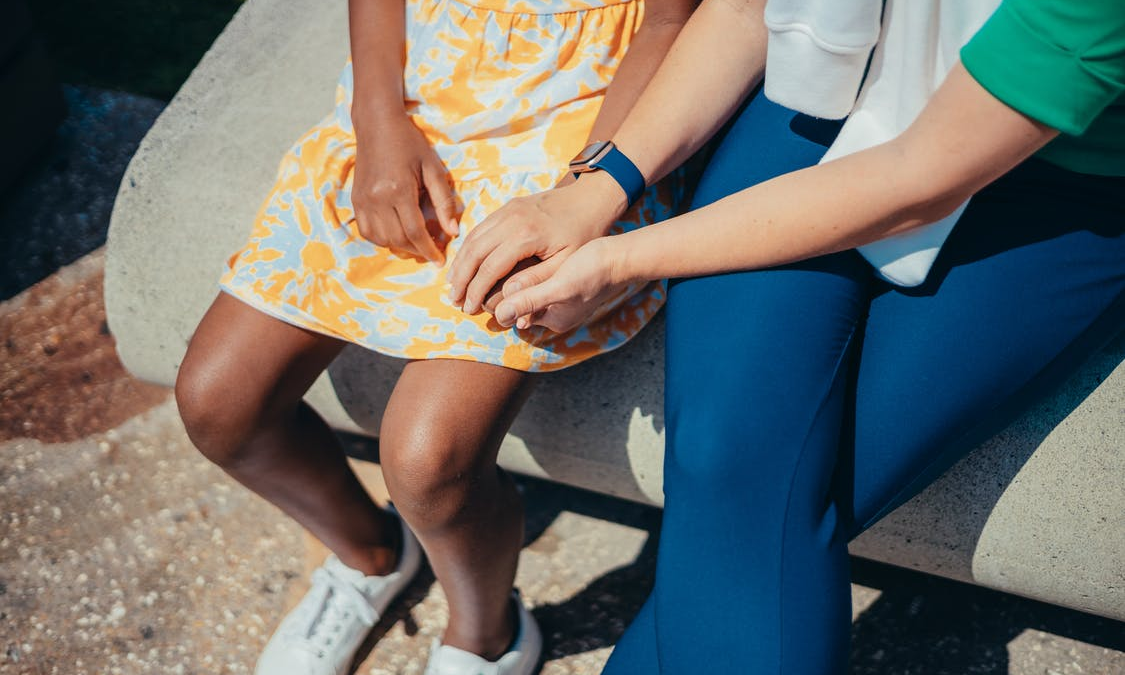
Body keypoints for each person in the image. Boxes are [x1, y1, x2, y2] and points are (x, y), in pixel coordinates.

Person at [446, 0, 1125, 672]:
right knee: (728, 460)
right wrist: (596, 189)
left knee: (762, 508)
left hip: (1052, 189)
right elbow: (743, 11)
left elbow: (914, 177)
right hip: (825, 83)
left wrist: (622, 257)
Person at [172, 0, 698, 672]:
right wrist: (378, 120)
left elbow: (668, 23)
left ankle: (486, 634)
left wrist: (585, 191)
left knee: (427, 459)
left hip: (584, 129)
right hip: (427, 90)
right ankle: (371, 556)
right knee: (219, 400)